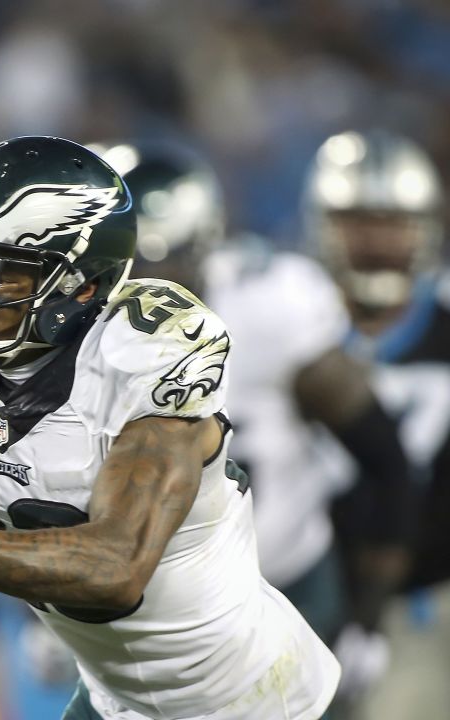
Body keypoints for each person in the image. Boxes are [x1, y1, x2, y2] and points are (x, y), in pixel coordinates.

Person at [0, 135, 340, 719]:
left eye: (4, 276)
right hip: (114, 700)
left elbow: (113, 569)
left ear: (80, 285)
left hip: (256, 702)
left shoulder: (142, 358)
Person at [100, 140, 414, 710]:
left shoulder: (271, 307)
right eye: (126, 265)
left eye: (162, 262)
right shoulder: (85, 333)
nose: (146, 287)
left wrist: (367, 617)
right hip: (162, 614)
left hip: (287, 591)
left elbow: (386, 459)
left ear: (204, 247)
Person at [301, 129, 450, 720]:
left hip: (422, 598)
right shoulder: (291, 324)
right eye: (358, 220)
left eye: (395, 221)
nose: (378, 240)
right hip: (296, 596)